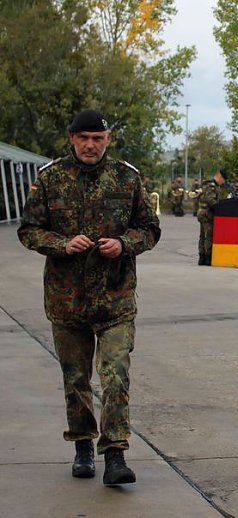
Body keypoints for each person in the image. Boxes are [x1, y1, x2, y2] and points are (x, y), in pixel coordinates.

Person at [18, 109, 160, 486]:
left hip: (115, 299)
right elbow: (29, 230)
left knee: (116, 375)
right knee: (76, 378)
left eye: (98, 139)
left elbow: (149, 229)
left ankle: (115, 453)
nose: (91, 145)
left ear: (108, 140)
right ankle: (82, 444)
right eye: (84, 138)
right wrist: (62, 244)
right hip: (67, 301)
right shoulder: (50, 179)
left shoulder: (127, 178)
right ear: (72, 139)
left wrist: (124, 243)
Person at [197, 168, 234, 265]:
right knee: (208, 236)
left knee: (203, 236)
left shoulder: (207, 184)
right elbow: (211, 200)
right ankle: (207, 258)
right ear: (219, 177)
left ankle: (202, 258)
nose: (223, 182)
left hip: (202, 213)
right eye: (223, 179)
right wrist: (219, 208)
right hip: (207, 214)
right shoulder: (212, 186)